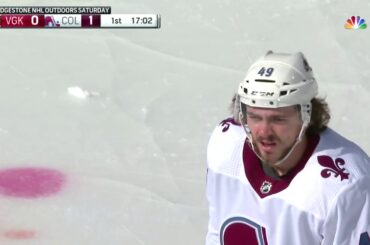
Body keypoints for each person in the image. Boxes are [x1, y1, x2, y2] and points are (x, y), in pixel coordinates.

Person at [205, 51, 370, 245]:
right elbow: (216, 232)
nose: (264, 132)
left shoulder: (343, 186)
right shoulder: (226, 146)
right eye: (255, 117)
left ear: (306, 117)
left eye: (278, 119)